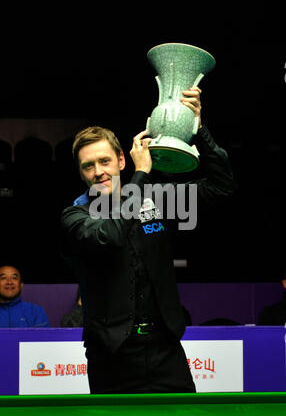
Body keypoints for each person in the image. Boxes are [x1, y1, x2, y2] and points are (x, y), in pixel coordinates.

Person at [60, 86, 237, 394]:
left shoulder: (159, 200)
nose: (98, 172)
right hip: (111, 354)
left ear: (121, 161)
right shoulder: (76, 216)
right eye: (88, 166)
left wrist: (199, 128)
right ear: (80, 173)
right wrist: (141, 175)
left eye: (104, 161)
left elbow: (222, 187)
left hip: (165, 350)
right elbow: (111, 236)